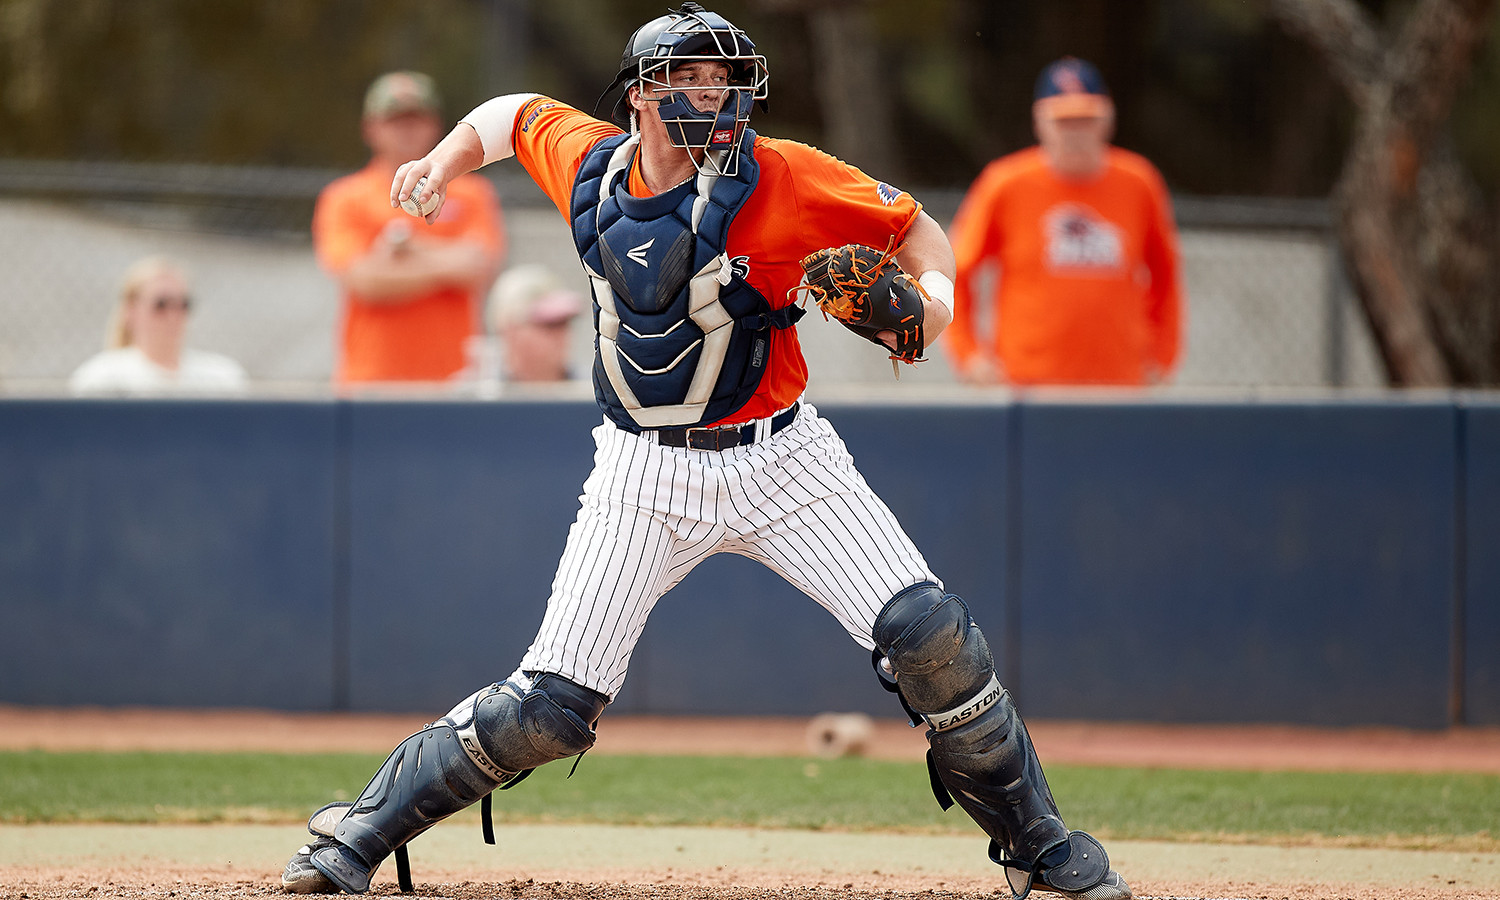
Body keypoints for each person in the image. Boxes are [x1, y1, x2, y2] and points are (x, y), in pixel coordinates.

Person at [280, 7, 1131, 899]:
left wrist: (941, 308)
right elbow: (513, 113)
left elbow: (918, 231)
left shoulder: (784, 174)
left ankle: (1041, 846)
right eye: (691, 80)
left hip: (786, 461)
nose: (714, 99)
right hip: (642, 472)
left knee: (933, 639)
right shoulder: (590, 162)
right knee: (552, 707)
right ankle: (358, 833)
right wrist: (441, 161)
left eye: (724, 81)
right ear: (643, 94)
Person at [946, 57, 1182, 387]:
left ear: (1108, 121)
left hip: (1120, 385)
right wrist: (969, 354)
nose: (1075, 133)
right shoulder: (1005, 184)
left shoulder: (1139, 183)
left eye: (1086, 119)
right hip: (1027, 385)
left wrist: (1163, 354)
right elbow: (955, 271)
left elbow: (1166, 274)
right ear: (1039, 123)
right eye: (1063, 121)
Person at [313, 71, 506, 385]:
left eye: (416, 118)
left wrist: (407, 250)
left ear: (435, 124)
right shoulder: (345, 197)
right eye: (395, 120)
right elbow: (365, 279)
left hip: (454, 380)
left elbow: (479, 266)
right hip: (370, 380)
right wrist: (448, 264)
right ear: (370, 128)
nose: (407, 129)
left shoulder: (472, 192)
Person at [69, 256, 248, 396]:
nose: (174, 315)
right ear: (130, 310)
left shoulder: (223, 376)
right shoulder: (103, 378)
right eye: (161, 304)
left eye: (184, 304)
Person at [487, 264, 583, 383]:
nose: (562, 335)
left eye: (565, 323)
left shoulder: (596, 393)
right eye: (550, 324)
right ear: (511, 332)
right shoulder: (472, 397)